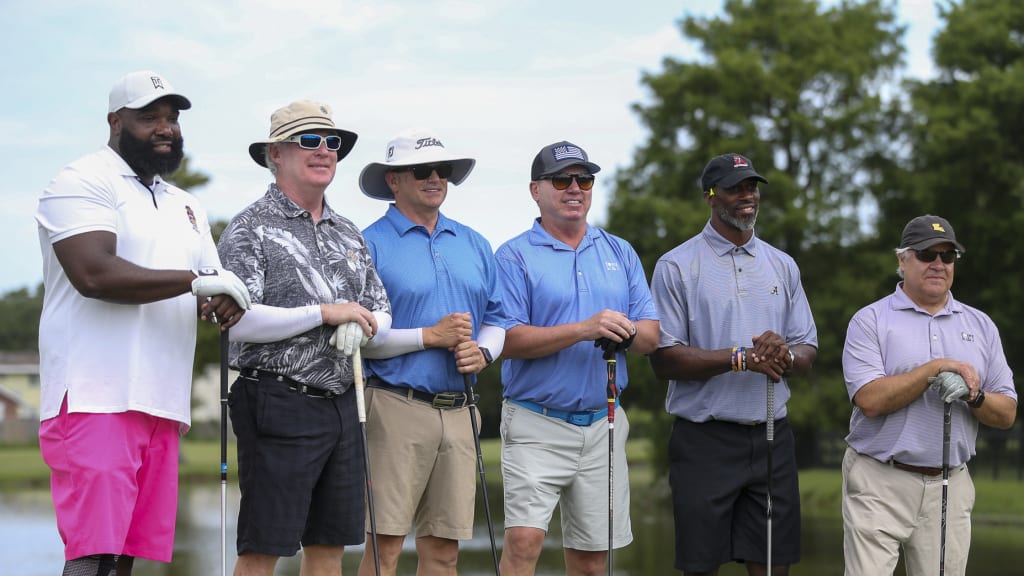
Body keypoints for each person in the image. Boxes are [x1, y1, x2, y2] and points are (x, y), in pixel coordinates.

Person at [34, 70, 251, 576]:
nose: (165, 127)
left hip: (161, 399)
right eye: (150, 116)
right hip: (94, 393)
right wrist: (197, 283)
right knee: (94, 556)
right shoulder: (80, 180)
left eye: (172, 118)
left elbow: (210, 287)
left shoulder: (187, 205)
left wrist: (223, 301)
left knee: (126, 559)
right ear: (115, 121)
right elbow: (94, 273)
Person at [217, 100, 391, 576]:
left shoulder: (348, 233)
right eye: (308, 140)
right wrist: (325, 313)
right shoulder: (248, 228)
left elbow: (381, 309)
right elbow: (238, 321)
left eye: (331, 142)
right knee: (263, 548)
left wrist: (362, 322)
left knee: (329, 547)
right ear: (276, 153)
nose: (324, 151)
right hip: (277, 399)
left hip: (342, 402)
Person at [494, 140, 659, 576]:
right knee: (524, 541)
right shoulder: (513, 255)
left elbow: (651, 336)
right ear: (536, 189)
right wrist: (585, 329)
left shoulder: (620, 251)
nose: (575, 188)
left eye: (584, 179)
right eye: (561, 179)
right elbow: (507, 340)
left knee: (591, 561)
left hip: (602, 423)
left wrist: (624, 334)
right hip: (535, 419)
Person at [649, 152, 818, 576]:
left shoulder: (783, 265)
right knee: (701, 566)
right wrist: (741, 359)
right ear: (710, 196)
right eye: (734, 188)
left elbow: (807, 352)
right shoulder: (676, 266)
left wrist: (785, 356)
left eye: (752, 187)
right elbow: (665, 359)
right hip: (703, 440)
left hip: (771, 438)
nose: (747, 196)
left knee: (774, 564)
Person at [355, 128, 506, 576]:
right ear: (393, 180)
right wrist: (429, 336)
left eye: (444, 171)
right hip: (394, 406)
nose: (436, 178)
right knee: (383, 548)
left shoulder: (475, 243)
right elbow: (360, 336)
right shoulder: (368, 243)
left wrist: (484, 353)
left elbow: (499, 318)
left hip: (461, 411)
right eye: (422, 170)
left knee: (444, 553)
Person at [841, 214, 1017, 576]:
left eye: (948, 256)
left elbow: (1007, 412)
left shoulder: (980, 325)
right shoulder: (870, 320)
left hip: (949, 484)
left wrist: (974, 396)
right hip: (879, 478)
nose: (938, 264)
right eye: (926, 254)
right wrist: (934, 368)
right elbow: (870, 400)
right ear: (902, 260)